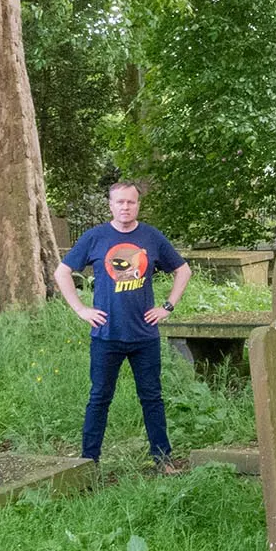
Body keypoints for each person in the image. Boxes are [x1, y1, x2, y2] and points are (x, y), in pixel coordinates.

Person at [54, 181, 192, 472]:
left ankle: (163, 461)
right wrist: (80, 309)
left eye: (131, 202)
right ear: (111, 205)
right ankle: (88, 463)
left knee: (152, 397)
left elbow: (183, 269)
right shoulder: (95, 237)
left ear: (138, 205)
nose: (125, 207)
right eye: (120, 202)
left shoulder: (151, 237)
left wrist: (167, 307)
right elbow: (62, 272)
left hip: (145, 336)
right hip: (106, 335)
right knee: (99, 398)